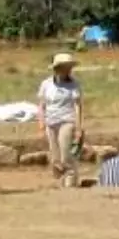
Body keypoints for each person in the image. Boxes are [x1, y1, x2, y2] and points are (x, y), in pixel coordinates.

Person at [36, 52, 84, 181]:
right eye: (66, 67)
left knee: (65, 154)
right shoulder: (46, 84)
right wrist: (41, 123)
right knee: (55, 157)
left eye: (69, 67)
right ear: (57, 69)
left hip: (66, 121)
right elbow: (41, 105)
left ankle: (71, 179)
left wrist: (79, 128)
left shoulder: (74, 84)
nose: (69, 70)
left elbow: (77, 106)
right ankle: (58, 181)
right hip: (50, 123)